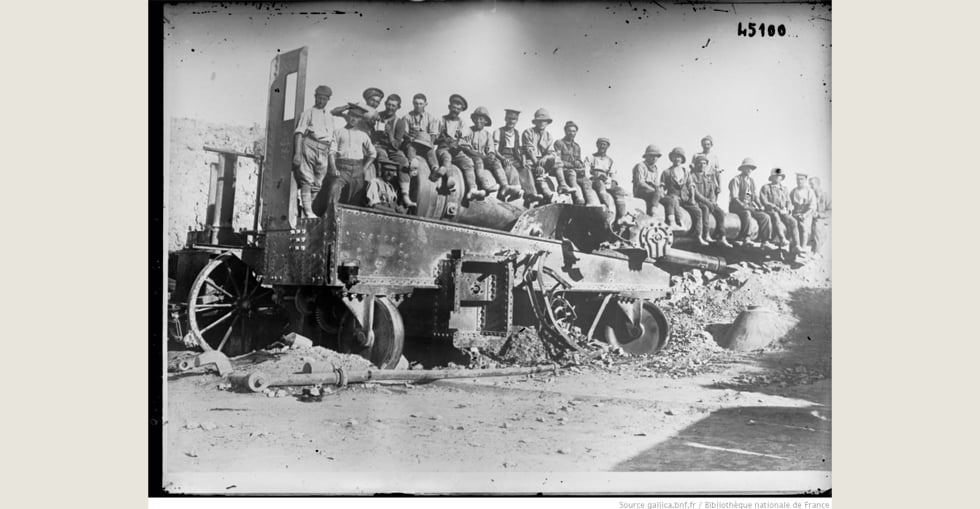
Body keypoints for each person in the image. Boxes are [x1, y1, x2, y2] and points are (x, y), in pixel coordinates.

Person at [311, 103, 377, 217]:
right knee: (333, 189)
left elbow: (373, 153)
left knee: (356, 197)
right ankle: (330, 216)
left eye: (357, 117)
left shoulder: (363, 135)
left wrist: (364, 168)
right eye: (352, 115)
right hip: (342, 169)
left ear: (360, 119)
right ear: (347, 116)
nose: (354, 119)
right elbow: (332, 152)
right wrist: (333, 168)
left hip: (357, 170)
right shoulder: (338, 132)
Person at [461, 107, 522, 200]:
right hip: (472, 157)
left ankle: (505, 186)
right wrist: (477, 154)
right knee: (478, 161)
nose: (478, 121)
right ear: (473, 120)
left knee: (496, 162)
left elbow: (491, 148)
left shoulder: (487, 134)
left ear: (486, 121)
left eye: (481, 119)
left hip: (483, 158)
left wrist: (491, 155)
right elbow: (466, 147)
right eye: (476, 119)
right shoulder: (468, 131)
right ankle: (485, 185)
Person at [292, 85, 335, 218]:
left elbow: (332, 137)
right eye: (319, 98)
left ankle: (307, 210)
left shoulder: (329, 116)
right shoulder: (308, 113)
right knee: (306, 179)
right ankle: (308, 211)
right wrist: (297, 153)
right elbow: (299, 133)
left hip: (324, 149)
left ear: (328, 100)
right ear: (315, 97)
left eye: (324, 99)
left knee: (318, 182)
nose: (321, 101)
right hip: (310, 145)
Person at [435, 94, 486, 201]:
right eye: (454, 108)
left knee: (468, 162)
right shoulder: (441, 120)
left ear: (461, 110)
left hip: (456, 151)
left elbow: (463, 139)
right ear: (449, 107)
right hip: (443, 148)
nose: (455, 111)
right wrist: (443, 139)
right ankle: (449, 179)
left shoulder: (462, 124)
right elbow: (434, 138)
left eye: (458, 109)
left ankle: (472, 189)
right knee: (446, 158)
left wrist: (458, 143)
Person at [492, 109, 540, 205]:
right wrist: (503, 158)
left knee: (525, 169)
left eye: (514, 119)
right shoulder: (498, 131)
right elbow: (495, 150)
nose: (511, 121)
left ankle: (530, 194)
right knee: (510, 167)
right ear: (505, 119)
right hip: (501, 156)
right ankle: (515, 190)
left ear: (517, 120)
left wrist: (523, 160)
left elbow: (520, 149)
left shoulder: (517, 133)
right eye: (509, 118)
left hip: (514, 157)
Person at [370, 94, 411, 204]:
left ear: (398, 107)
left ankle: (405, 194)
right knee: (381, 156)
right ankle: (379, 189)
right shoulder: (377, 116)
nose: (390, 108)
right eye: (389, 105)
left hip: (392, 148)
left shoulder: (400, 123)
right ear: (385, 104)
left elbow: (397, 145)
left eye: (393, 106)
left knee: (404, 161)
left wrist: (390, 134)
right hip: (378, 146)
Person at [521, 108, 564, 203]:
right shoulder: (528, 132)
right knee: (531, 169)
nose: (542, 123)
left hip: (543, 161)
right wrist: (538, 164)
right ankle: (544, 192)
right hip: (531, 160)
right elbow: (529, 150)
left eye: (544, 121)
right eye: (539, 121)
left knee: (557, 160)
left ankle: (562, 185)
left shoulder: (548, 135)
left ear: (547, 123)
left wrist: (545, 157)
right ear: (535, 122)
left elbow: (551, 152)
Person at [728, 158, 772, 247]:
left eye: (751, 168)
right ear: (742, 168)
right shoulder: (736, 180)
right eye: (747, 168)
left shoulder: (751, 181)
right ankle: (746, 237)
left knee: (765, 217)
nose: (749, 170)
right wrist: (742, 205)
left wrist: (760, 206)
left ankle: (765, 240)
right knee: (746, 213)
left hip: (748, 205)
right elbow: (734, 197)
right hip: (737, 206)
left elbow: (754, 196)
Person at [690, 154, 732, 247]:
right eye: (700, 163)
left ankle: (722, 237)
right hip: (698, 202)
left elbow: (712, 191)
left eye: (704, 163)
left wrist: (712, 202)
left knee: (720, 212)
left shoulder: (708, 178)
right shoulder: (692, 176)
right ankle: (706, 234)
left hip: (708, 202)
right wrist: (707, 202)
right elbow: (696, 193)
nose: (702, 165)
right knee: (705, 209)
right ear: (696, 165)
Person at [584, 137, 628, 225]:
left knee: (619, 191)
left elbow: (613, 173)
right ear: (597, 145)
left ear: (608, 147)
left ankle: (622, 217)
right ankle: (609, 209)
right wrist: (594, 177)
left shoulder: (610, 160)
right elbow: (586, 171)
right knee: (600, 185)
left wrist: (613, 182)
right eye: (600, 144)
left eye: (604, 145)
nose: (602, 146)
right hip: (594, 181)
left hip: (606, 181)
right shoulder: (591, 157)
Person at [758, 167, 800, 254]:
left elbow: (788, 201)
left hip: (783, 211)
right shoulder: (766, 187)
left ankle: (796, 245)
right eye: (776, 176)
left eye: (780, 176)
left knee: (793, 221)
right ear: (772, 177)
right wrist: (775, 207)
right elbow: (764, 201)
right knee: (776, 217)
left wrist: (788, 209)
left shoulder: (784, 189)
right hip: (771, 211)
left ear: (782, 178)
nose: (778, 178)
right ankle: (782, 238)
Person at [552, 121, 592, 205]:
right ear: (565, 131)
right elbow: (558, 160)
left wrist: (580, 165)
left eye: (574, 131)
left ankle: (590, 203)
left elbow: (578, 160)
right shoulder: (559, 143)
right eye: (569, 131)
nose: (572, 133)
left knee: (586, 181)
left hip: (575, 170)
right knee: (572, 173)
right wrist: (572, 165)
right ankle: (579, 198)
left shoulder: (577, 146)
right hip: (563, 170)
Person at [660, 147, 689, 229]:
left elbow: (691, 186)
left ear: (682, 159)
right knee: (674, 199)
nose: (677, 159)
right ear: (671, 158)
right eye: (674, 157)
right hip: (673, 196)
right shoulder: (666, 172)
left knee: (697, 211)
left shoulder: (686, 172)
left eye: (679, 157)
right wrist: (662, 194)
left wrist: (692, 198)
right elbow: (662, 186)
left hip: (685, 198)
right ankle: (679, 222)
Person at [790, 173, 817, 254]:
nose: (799, 181)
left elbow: (812, 206)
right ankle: (794, 250)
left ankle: (803, 248)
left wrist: (805, 215)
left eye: (801, 179)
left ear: (805, 180)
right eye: (798, 179)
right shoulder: (793, 191)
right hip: (795, 213)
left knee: (804, 228)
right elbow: (789, 203)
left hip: (806, 214)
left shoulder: (809, 191)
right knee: (793, 226)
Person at [809, 176, 831, 255]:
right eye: (810, 184)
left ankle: (817, 252)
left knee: (817, 225)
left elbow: (830, 211)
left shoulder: (825, 195)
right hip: (811, 218)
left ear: (818, 184)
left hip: (823, 219)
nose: (810, 186)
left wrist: (819, 215)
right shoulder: (810, 195)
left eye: (812, 184)